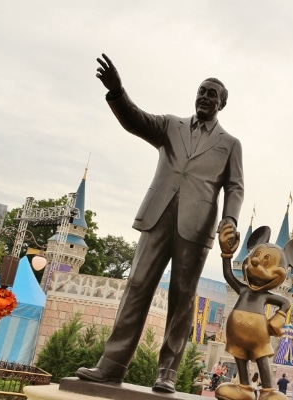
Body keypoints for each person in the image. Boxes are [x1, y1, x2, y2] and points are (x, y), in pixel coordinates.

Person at [75, 54, 244, 394]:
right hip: (157, 217)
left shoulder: (229, 144)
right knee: (137, 287)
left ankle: (167, 372)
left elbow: (235, 187)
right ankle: (111, 366)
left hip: (196, 228)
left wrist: (229, 219)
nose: (205, 97)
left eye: (213, 94)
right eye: (202, 90)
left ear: (222, 104)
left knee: (182, 300)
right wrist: (117, 92)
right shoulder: (170, 126)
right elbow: (135, 120)